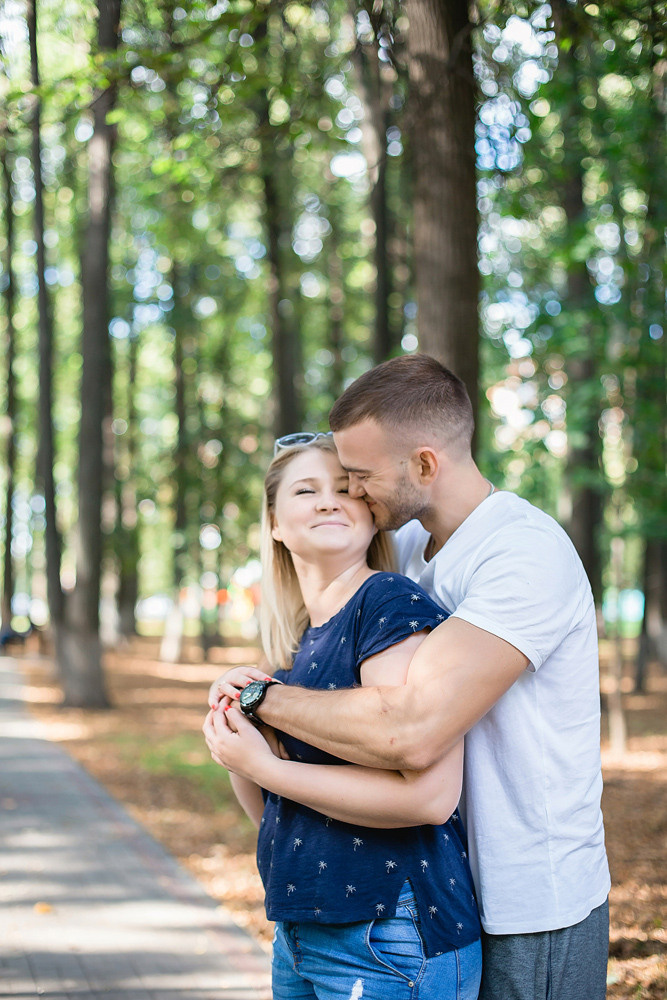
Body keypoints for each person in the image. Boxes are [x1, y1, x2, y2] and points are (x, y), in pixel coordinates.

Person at [209, 355, 611, 1000]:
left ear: (424, 465)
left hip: (530, 898)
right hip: (443, 885)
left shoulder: (521, 552)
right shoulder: (416, 555)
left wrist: (261, 700)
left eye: (360, 476)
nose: (353, 493)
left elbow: (412, 730)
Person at [203, 434, 482, 1000]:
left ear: (372, 515)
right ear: (275, 523)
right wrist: (237, 731)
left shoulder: (386, 602)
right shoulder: (293, 645)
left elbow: (428, 798)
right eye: (307, 490)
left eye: (346, 488)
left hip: (389, 932)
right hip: (300, 930)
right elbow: (272, 809)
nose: (330, 500)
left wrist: (267, 765)